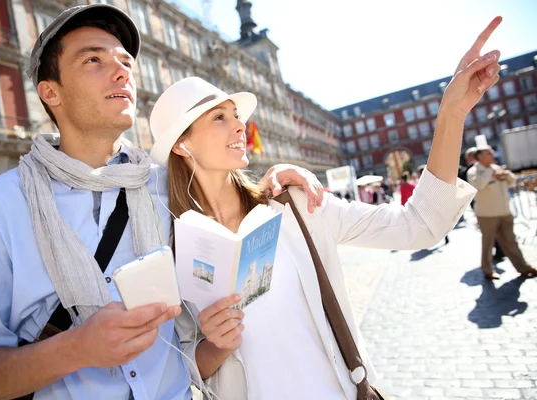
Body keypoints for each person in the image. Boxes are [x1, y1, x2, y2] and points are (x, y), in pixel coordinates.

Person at [0, 5, 323, 399]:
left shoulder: (170, 187)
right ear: (50, 92)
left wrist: (272, 183)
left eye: (126, 62)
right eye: (93, 60)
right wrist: (73, 350)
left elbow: (230, 203)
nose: (122, 71)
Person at [147, 16, 504, 399]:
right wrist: (215, 347)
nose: (240, 128)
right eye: (220, 118)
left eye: (237, 116)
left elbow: (420, 224)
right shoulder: (170, 244)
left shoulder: (298, 205)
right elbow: (171, 364)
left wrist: (452, 113)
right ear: (182, 145)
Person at [466, 145, 537, 280]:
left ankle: (523, 267)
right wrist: (489, 173)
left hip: (505, 211)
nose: (493, 156)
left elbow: (512, 183)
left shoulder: (497, 168)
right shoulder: (474, 171)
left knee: (511, 241)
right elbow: (478, 185)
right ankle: (487, 270)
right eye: (489, 153)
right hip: (487, 214)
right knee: (488, 243)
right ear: (480, 156)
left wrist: (507, 175)